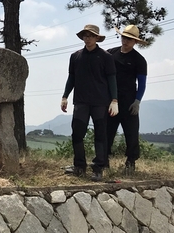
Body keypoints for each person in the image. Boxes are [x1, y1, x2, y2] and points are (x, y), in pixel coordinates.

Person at [61, 24, 118, 181]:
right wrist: (65, 96)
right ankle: (79, 166)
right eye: (85, 35)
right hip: (81, 101)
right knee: (77, 134)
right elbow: (71, 77)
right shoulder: (76, 56)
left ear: (97, 38)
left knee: (100, 135)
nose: (88, 38)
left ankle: (98, 168)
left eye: (91, 36)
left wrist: (114, 99)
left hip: (100, 102)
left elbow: (112, 78)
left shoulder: (106, 57)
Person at [107, 25, 148, 175]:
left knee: (131, 133)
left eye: (129, 39)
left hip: (129, 100)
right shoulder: (110, 54)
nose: (125, 41)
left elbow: (142, 84)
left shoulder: (139, 60)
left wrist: (137, 101)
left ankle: (131, 162)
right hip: (111, 99)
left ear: (135, 41)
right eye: (124, 37)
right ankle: (104, 161)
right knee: (107, 131)